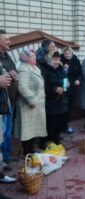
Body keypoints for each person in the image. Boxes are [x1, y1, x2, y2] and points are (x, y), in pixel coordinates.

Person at [14, 49, 47, 156]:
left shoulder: (35, 68)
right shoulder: (23, 69)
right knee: (27, 130)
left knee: (33, 129)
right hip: (28, 105)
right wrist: (32, 100)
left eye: (34, 56)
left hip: (37, 103)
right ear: (25, 58)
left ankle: (31, 150)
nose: (34, 58)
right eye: (31, 56)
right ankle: (26, 152)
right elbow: (22, 86)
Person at [40, 51, 69, 148]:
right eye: (54, 59)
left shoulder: (60, 69)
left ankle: (56, 138)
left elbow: (65, 79)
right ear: (49, 60)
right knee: (49, 122)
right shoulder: (44, 69)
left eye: (58, 59)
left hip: (60, 100)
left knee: (59, 121)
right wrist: (54, 89)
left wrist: (66, 84)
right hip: (50, 100)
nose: (57, 62)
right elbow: (42, 86)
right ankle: (45, 141)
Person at [0, 30, 18, 171]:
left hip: (10, 101)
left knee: (7, 131)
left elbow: (13, 70)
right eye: (6, 39)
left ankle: (5, 158)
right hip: (1, 104)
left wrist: (14, 74)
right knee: (2, 132)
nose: (9, 42)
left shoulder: (7, 55)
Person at [60, 47, 82, 134]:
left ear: (72, 54)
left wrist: (78, 79)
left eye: (69, 53)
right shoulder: (60, 61)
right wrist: (64, 69)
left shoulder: (76, 60)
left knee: (69, 107)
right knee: (63, 107)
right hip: (64, 86)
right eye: (66, 53)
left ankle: (66, 125)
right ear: (63, 54)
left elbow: (80, 72)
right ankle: (62, 125)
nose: (68, 55)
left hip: (73, 87)